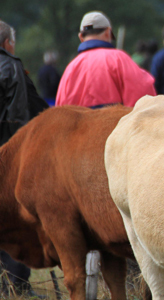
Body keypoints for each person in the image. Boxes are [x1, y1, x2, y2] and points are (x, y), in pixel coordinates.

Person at [0, 20, 48, 298]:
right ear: (8, 43)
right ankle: (15, 287)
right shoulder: (10, 66)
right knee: (14, 222)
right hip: (6, 157)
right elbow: (18, 116)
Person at [56, 11, 155, 108]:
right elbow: (143, 97)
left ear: (81, 37)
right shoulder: (119, 59)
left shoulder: (70, 69)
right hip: (114, 123)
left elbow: (60, 113)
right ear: (108, 33)